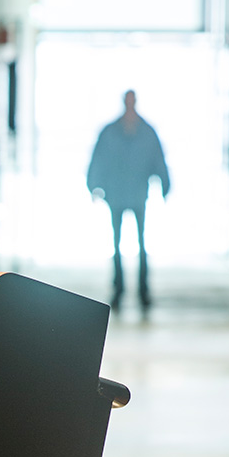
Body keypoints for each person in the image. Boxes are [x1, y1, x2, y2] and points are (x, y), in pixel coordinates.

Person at [87, 90, 170, 310]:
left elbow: (158, 159)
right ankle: (118, 289)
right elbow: (98, 159)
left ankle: (143, 290)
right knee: (116, 244)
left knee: (142, 244)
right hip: (116, 196)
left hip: (138, 195)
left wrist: (165, 186)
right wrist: (93, 185)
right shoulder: (110, 132)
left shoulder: (147, 132)